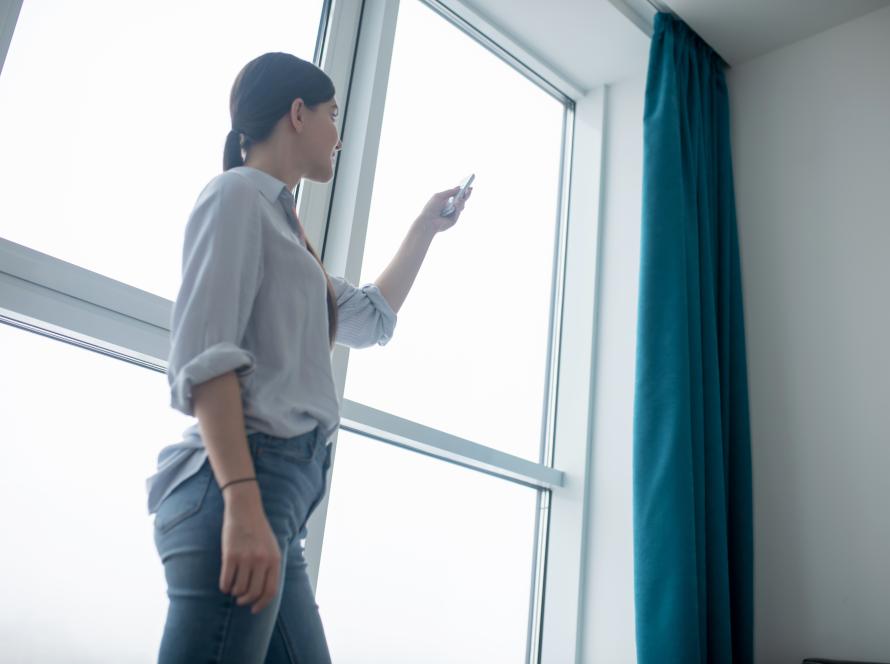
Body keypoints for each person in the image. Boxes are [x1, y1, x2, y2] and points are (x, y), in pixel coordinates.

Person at [145, 51, 472, 663]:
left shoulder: (289, 231)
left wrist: (426, 228)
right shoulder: (235, 196)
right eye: (332, 114)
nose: (339, 135)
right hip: (240, 491)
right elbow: (205, 359)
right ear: (298, 114)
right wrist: (242, 503)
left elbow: (369, 320)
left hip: (275, 507)